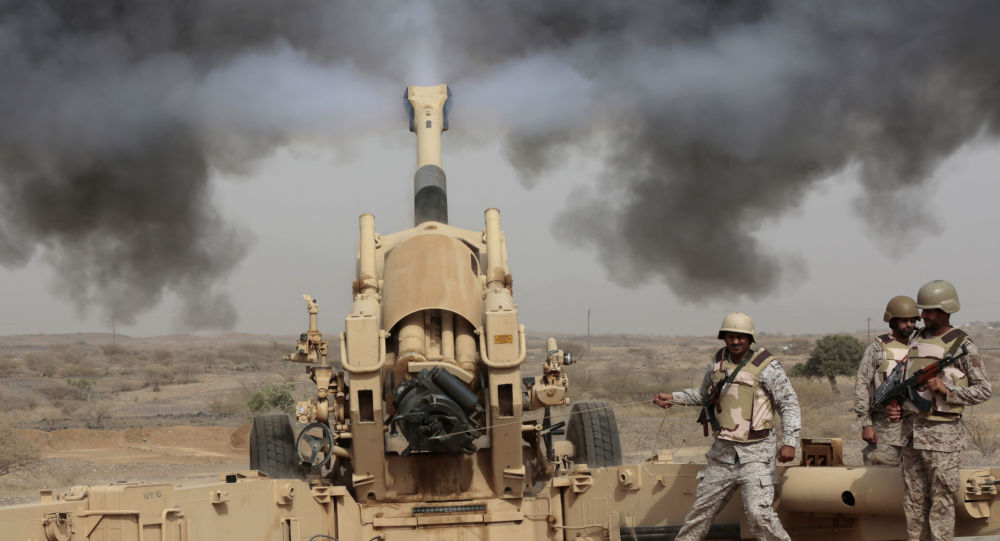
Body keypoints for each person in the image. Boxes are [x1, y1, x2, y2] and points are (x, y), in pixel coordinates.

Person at [653, 312, 800, 541]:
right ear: (724, 338)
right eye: (731, 336)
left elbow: (789, 404)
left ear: (750, 339)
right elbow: (704, 395)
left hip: (757, 454)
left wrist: (790, 442)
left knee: (759, 514)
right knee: (700, 514)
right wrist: (674, 398)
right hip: (722, 454)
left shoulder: (767, 366)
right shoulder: (717, 364)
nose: (735, 341)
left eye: (741, 337)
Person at [885, 280, 991, 541]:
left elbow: (984, 390)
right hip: (911, 435)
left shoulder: (962, 345)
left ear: (945, 310)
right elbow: (904, 379)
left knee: (941, 501)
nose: (923, 316)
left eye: (929, 311)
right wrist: (895, 405)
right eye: (923, 310)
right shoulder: (916, 339)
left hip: (943, 438)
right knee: (914, 500)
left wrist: (948, 391)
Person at [853, 295, 919, 466]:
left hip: (916, 428)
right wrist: (866, 424)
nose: (909, 325)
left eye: (912, 320)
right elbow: (862, 384)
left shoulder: (920, 347)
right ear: (893, 322)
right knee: (881, 474)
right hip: (885, 427)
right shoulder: (878, 349)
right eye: (904, 321)